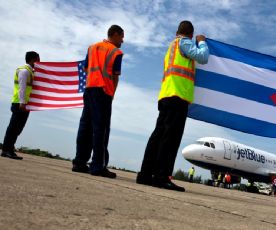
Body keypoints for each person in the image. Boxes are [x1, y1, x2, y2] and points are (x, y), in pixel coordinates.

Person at [136, 20, 209, 192]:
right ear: (190, 34)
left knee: (158, 136)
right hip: (178, 96)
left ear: (177, 31)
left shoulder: (171, 47)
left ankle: (145, 174)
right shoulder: (184, 43)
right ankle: (161, 177)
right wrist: (202, 42)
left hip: (166, 95)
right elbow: (203, 57)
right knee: (171, 138)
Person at [72, 25, 124, 178]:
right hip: (103, 92)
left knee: (85, 126)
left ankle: (79, 162)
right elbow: (115, 76)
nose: (123, 40)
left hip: (89, 88)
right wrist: (111, 94)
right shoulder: (116, 52)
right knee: (101, 129)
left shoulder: (92, 47)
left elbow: (86, 68)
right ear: (114, 35)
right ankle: (97, 165)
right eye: (121, 36)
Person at [1, 51, 40, 160]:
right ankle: (6, 150)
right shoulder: (24, 71)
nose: (39, 62)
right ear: (33, 59)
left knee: (18, 128)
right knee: (13, 128)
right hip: (20, 103)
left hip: (25, 104)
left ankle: (9, 148)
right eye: (38, 59)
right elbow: (22, 88)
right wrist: (22, 102)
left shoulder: (31, 71)